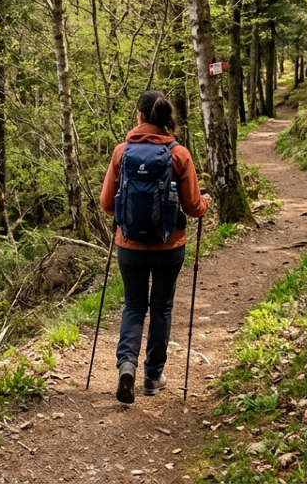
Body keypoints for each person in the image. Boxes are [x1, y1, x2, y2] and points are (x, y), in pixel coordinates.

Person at [99, 90, 208, 404]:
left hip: (129, 245)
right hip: (169, 245)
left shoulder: (122, 153)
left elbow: (107, 203)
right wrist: (205, 206)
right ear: (165, 119)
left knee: (133, 306)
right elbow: (192, 206)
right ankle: (153, 375)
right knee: (161, 308)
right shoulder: (179, 154)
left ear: (141, 116)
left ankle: (126, 367)